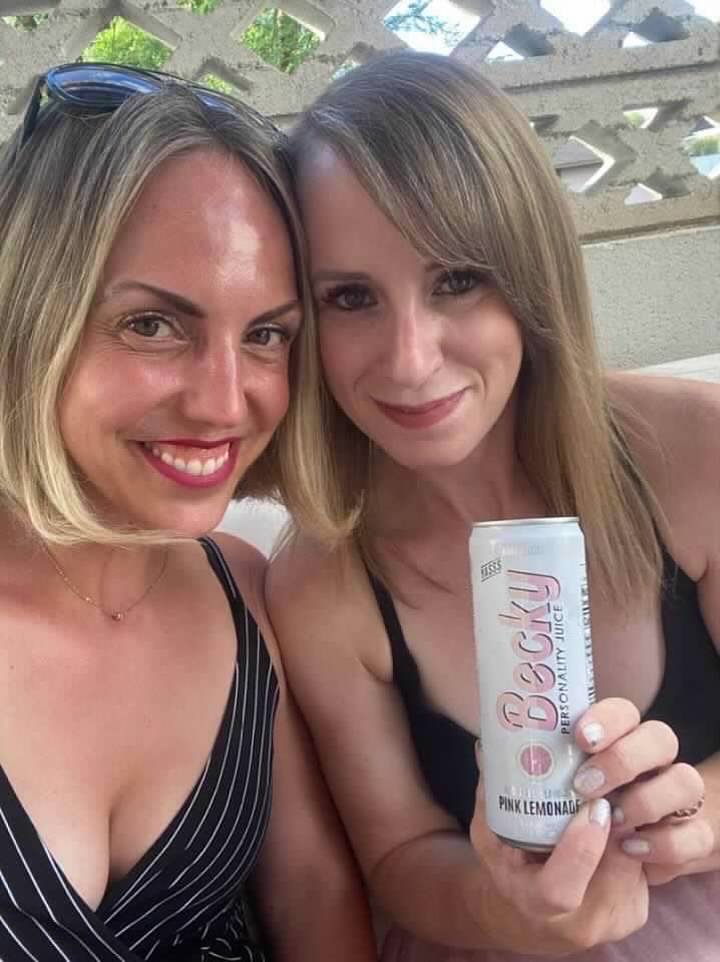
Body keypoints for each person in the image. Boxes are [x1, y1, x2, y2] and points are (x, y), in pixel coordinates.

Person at [266, 51, 720, 961]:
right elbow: (397, 855)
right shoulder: (320, 579)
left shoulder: (695, 450)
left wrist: (698, 820)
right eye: (350, 297)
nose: (410, 359)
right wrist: (505, 909)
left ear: (531, 277)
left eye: (457, 280)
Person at [0, 63, 378, 962]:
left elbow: (314, 891)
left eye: (266, 335)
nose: (224, 403)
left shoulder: (245, 590)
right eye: (151, 325)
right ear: (27, 317)